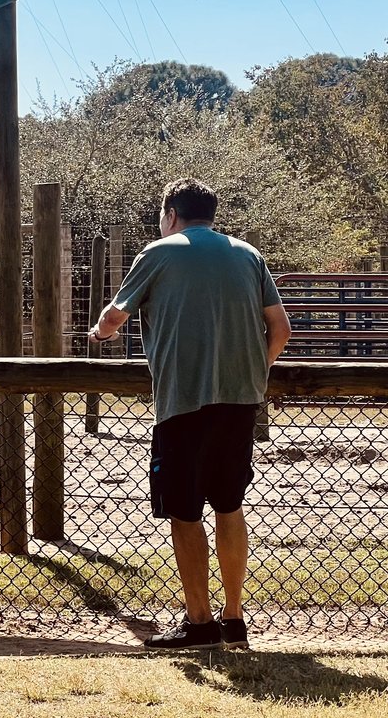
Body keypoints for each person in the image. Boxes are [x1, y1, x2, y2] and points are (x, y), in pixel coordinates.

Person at [89, 178, 291, 650]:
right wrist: (252, 370)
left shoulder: (159, 251)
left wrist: (98, 333)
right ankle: (234, 617)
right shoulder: (247, 254)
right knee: (229, 504)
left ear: (171, 214)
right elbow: (280, 329)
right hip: (240, 400)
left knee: (184, 511)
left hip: (182, 402)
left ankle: (198, 622)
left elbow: (115, 317)